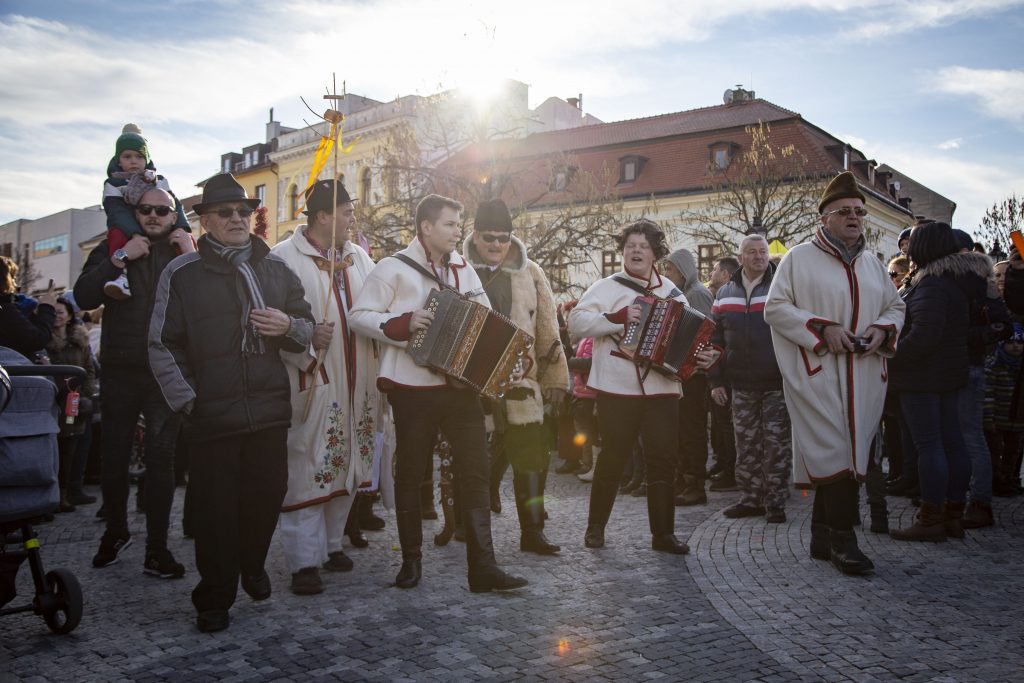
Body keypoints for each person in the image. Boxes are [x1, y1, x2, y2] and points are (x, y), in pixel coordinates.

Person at [148, 173, 315, 632]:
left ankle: (252, 563)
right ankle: (215, 596)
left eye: (245, 211)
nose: (238, 218)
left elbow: (306, 326)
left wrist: (289, 327)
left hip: (268, 409)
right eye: (226, 212)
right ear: (205, 221)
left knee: (267, 498)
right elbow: (162, 343)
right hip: (211, 415)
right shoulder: (182, 273)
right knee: (216, 512)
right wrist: (190, 401)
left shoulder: (276, 268)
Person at [349, 193, 528, 593]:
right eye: (450, 224)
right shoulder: (393, 268)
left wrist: (504, 362)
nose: (456, 232)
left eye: (458, 225)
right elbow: (358, 316)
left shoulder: (464, 269)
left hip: (460, 388)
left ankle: (483, 567)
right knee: (412, 472)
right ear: (426, 227)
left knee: (476, 471)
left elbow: (486, 321)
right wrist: (403, 323)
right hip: (412, 388)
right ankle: (411, 561)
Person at [764, 171, 905, 575]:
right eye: (844, 211)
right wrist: (822, 329)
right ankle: (845, 540)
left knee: (851, 450)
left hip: (865, 374)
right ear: (824, 218)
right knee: (835, 450)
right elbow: (775, 308)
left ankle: (822, 535)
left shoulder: (872, 264)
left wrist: (882, 330)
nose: (854, 217)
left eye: (859, 211)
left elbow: (896, 307)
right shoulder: (798, 258)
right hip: (818, 372)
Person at [74, 187, 195, 578]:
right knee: (114, 456)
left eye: (163, 209)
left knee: (162, 460)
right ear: (135, 211)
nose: (154, 215)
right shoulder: (116, 245)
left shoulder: (184, 250)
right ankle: (115, 532)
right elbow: (83, 296)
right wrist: (121, 257)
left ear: (174, 214)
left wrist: (190, 254)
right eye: (146, 209)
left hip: (164, 371)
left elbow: (208, 304)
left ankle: (157, 549)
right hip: (121, 369)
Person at [270, 179, 379, 595]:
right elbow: (271, 321)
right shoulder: (283, 258)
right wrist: (304, 344)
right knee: (307, 467)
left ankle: (333, 544)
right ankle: (303, 560)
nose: (352, 219)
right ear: (322, 216)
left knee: (347, 462)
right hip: (313, 378)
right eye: (346, 212)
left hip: (359, 382)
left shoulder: (359, 258)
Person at [569, 219, 695, 555]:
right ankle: (595, 528)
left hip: (662, 389)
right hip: (618, 386)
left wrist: (701, 355)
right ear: (622, 252)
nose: (636, 251)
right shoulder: (606, 287)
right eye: (630, 247)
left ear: (655, 253)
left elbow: (689, 336)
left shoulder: (673, 292)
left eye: (643, 246)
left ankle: (663, 534)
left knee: (663, 459)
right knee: (613, 457)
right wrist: (616, 318)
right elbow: (576, 322)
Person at [463, 199, 570, 555]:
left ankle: (533, 532)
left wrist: (555, 379)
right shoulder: (459, 270)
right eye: (489, 237)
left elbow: (548, 329)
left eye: (503, 237)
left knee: (532, 461)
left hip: (522, 382)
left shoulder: (531, 272)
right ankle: (469, 529)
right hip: (471, 385)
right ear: (475, 235)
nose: (496, 244)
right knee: (473, 464)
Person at [887, 222, 972, 542]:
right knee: (952, 443)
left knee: (931, 446)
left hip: (924, 377)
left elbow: (924, 336)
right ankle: (953, 515)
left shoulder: (931, 284)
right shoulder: (953, 280)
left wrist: (891, 356)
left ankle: (931, 518)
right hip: (948, 373)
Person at [709, 234, 792, 523]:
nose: (759, 257)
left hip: (776, 382)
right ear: (740, 257)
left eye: (763, 252)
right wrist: (715, 381)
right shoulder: (724, 293)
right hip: (740, 384)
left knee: (776, 445)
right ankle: (750, 500)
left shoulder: (781, 286)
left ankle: (775, 503)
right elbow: (714, 340)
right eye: (752, 252)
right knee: (745, 445)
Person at [101, 124, 190, 300]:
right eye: (127, 156)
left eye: (139, 156)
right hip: (126, 229)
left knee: (184, 237)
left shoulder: (158, 181)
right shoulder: (113, 184)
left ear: (147, 159)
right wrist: (133, 234)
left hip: (160, 235)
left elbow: (176, 206)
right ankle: (121, 276)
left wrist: (182, 227)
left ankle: (189, 263)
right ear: (118, 160)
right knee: (116, 234)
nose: (134, 161)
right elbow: (116, 211)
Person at [662, 248, 714, 507]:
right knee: (682, 430)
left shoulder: (697, 294)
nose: (667, 274)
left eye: (670, 269)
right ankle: (684, 481)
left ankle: (695, 485)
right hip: (682, 375)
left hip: (695, 375)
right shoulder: (681, 294)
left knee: (692, 431)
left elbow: (706, 333)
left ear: (683, 271)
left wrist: (693, 364)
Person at [45, 297, 97, 513]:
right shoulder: (44, 340)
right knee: (59, 447)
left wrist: (84, 394)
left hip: (75, 402)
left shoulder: (79, 340)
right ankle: (57, 494)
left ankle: (69, 491)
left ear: (68, 316)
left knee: (74, 445)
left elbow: (89, 369)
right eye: (53, 312)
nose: (56, 316)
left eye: (60, 312)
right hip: (54, 402)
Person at [985, 327, 1024, 497]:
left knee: (1013, 452)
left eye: (1020, 342)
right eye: (1010, 342)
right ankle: (996, 481)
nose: (1016, 346)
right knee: (995, 452)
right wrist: (988, 418)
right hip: (998, 420)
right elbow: (988, 394)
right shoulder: (994, 366)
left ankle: (1009, 479)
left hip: (1017, 421)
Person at [0, 255, 56, 358]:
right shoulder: (4, 309)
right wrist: (47, 307)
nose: (15, 284)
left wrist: (34, 315)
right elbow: (37, 339)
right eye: (12, 277)